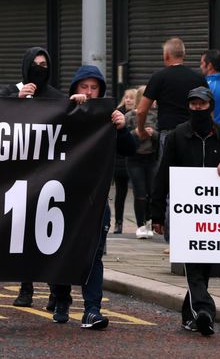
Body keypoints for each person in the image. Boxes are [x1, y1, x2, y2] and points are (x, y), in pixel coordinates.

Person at [48, 65, 136, 329]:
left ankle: (92, 310)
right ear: (75, 89)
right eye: (83, 87)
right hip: (62, 197)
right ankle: (62, 299)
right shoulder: (63, 110)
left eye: (93, 87)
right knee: (60, 250)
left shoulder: (108, 117)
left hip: (95, 199)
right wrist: (69, 110)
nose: (88, 92)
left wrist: (121, 128)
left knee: (93, 254)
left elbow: (130, 149)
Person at [151, 87, 220, 336]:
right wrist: (156, 213)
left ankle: (188, 317)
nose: (197, 108)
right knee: (193, 264)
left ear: (210, 106)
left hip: (215, 214)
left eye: (202, 104)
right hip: (186, 213)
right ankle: (205, 311)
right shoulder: (178, 135)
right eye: (193, 104)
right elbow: (163, 174)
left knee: (205, 264)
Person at [0, 47, 62, 307]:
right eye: (35, 63)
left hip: (49, 175)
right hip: (18, 175)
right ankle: (25, 288)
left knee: (49, 235)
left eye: (44, 64)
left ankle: (54, 291)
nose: (40, 67)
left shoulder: (57, 97)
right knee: (23, 234)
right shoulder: (8, 92)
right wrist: (17, 100)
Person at [124, 85, 158, 239]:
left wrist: (154, 133)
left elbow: (163, 136)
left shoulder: (158, 116)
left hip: (151, 158)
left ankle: (150, 221)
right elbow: (124, 136)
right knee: (140, 193)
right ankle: (140, 225)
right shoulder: (131, 115)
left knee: (152, 192)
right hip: (135, 159)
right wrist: (135, 133)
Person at [112, 89, 134, 235]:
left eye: (131, 98)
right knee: (120, 191)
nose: (128, 100)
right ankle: (118, 222)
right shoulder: (117, 113)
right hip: (119, 161)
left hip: (133, 158)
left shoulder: (138, 115)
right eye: (126, 97)